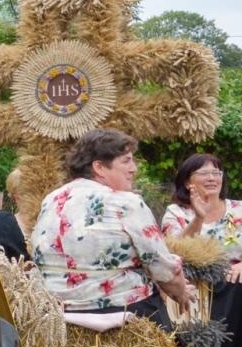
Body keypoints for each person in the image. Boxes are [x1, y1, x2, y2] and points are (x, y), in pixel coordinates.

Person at [29, 128, 196, 326]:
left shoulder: (51, 199)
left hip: (58, 316)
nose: (134, 169)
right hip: (122, 313)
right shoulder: (126, 202)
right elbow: (160, 265)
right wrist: (180, 293)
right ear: (99, 167)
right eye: (126, 161)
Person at [162, 153, 242, 347]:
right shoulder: (176, 212)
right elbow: (173, 250)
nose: (212, 178)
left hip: (235, 280)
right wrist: (198, 218)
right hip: (194, 282)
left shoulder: (238, 209)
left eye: (216, 173)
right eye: (204, 173)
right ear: (188, 181)